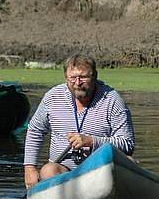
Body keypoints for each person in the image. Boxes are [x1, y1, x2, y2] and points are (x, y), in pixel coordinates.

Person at [23, 54, 135, 189]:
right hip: (62, 170)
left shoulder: (112, 100)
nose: (77, 83)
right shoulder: (53, 97)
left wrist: (92, 141)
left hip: (101, 171)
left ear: (94, 76)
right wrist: (29, 168)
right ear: (66, 77)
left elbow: (127, 144)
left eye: (83, 77)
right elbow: (35, 130)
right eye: (72, 78)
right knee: (48, 170)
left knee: (129, 162)